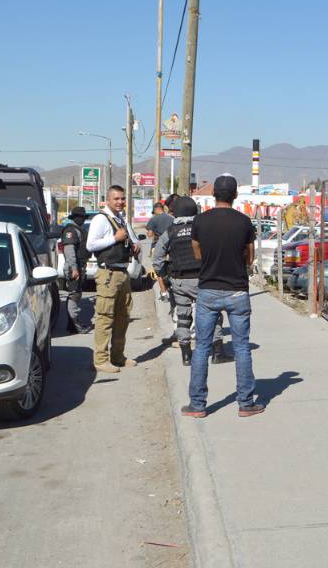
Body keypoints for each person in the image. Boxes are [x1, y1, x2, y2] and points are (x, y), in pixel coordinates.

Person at [181, 174, 263, 418]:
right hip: (237, 290)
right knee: (242, 347)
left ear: (213, 194)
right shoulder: (244, 222)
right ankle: (245, 403)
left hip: (208, 289)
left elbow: (197, 253)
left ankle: (197, 405)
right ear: (235, 195)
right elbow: (250, 257)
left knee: (202, 347)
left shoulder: (200, 220)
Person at [153, 196, 223, 366]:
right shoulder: (204, 229)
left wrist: (165, 275)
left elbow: (157, 259)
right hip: (203, 280)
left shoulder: (170, 232)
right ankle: (218, 352)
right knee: (213, 314)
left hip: (179, 281)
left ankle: (186, 355)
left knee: (183, 317)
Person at [86, 185, 141, 373]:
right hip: (108, 273)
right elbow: (91, 245)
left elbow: (130, 238)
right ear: (107, 200)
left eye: (122, 198)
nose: (120, 202)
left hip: (122, 272)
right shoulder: (100, 219)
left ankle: (118, 356)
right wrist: (115, 239)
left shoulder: (120, 219)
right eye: (116, 199)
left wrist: (134, 245)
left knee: (123, 316)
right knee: (105, 317)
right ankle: (100, 360)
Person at [60, 206, 93, 335]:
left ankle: (71, 325)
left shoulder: (79, 230)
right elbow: (69, 251)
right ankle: (76, 325)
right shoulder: (71, 231)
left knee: (76, 294)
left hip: (79, 266)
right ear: (75, 218)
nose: (82, 219)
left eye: (83, 217)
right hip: (73, 266)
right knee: (74, 294)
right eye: (80, 217)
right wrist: (74, 268)